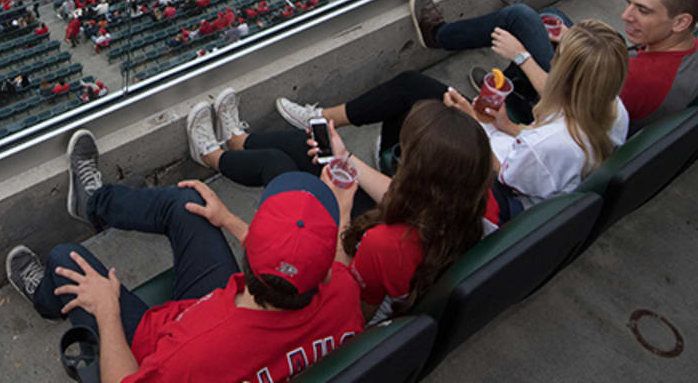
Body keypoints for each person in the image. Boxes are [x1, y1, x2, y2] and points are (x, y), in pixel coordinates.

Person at [5, 130, 363, 383]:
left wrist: (108, 312)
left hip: (165, 341)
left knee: (64, 259)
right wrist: (228, 220)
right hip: (224, 312)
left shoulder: (189, 357)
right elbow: (326, 264)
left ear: (247, 255)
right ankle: (94, 203)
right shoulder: (344, 291)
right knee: (188, 205)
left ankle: (44, 299)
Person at [282, 0, 698, 134]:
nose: (625, 16)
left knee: (521, 19)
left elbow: (571, 112)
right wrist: (577, 45)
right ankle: (517, 88)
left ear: (680, 21)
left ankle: (320, 120)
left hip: (548, 124)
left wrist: (522, 57)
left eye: (643, 10)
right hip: (590, 118)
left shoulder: (635, 84)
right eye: (629, 3)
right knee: (554, 19)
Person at [191, 94, 496, 323]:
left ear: (417, 173)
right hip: (395, 256)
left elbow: (349, 303)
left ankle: (211, 156)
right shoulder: (478, 200)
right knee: (309, 148)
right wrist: (345, 156)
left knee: (279, 168)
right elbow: (406, 198)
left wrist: (340, 211)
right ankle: (238, 141)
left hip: (350, 297)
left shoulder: (387, 245)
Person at [281, 20, 631, 216]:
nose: (552, 57)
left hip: (492, 196)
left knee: (418, 103)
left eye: (559, 56)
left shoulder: (550, 144)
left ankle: (390, 161)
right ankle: (328, 118)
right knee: (412, 87)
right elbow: (535, 152)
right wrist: (506, 126)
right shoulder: (614, 110)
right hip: (515, 165)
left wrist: (474, 123)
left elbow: (506, 174)